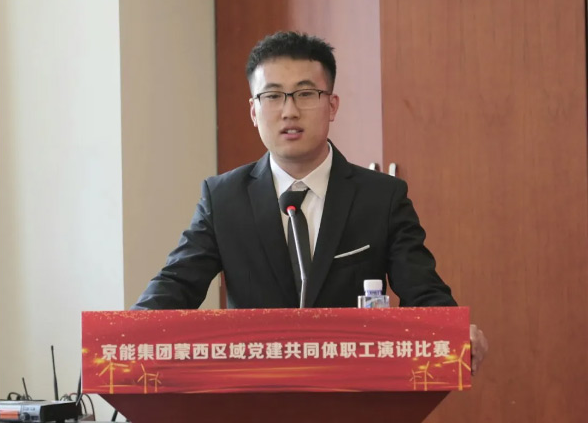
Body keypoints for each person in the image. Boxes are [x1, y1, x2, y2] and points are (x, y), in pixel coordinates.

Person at [132, 31, 488, 373]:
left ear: (332, 105)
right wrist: (124, 335)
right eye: (272, 96)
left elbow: (424, 293)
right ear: (254, 111)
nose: (289, 111)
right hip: (253, 395)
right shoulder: (224, 198)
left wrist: (456, 333)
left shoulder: (381, 198)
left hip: (354, 393)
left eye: (305, 94)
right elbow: (176, 285)